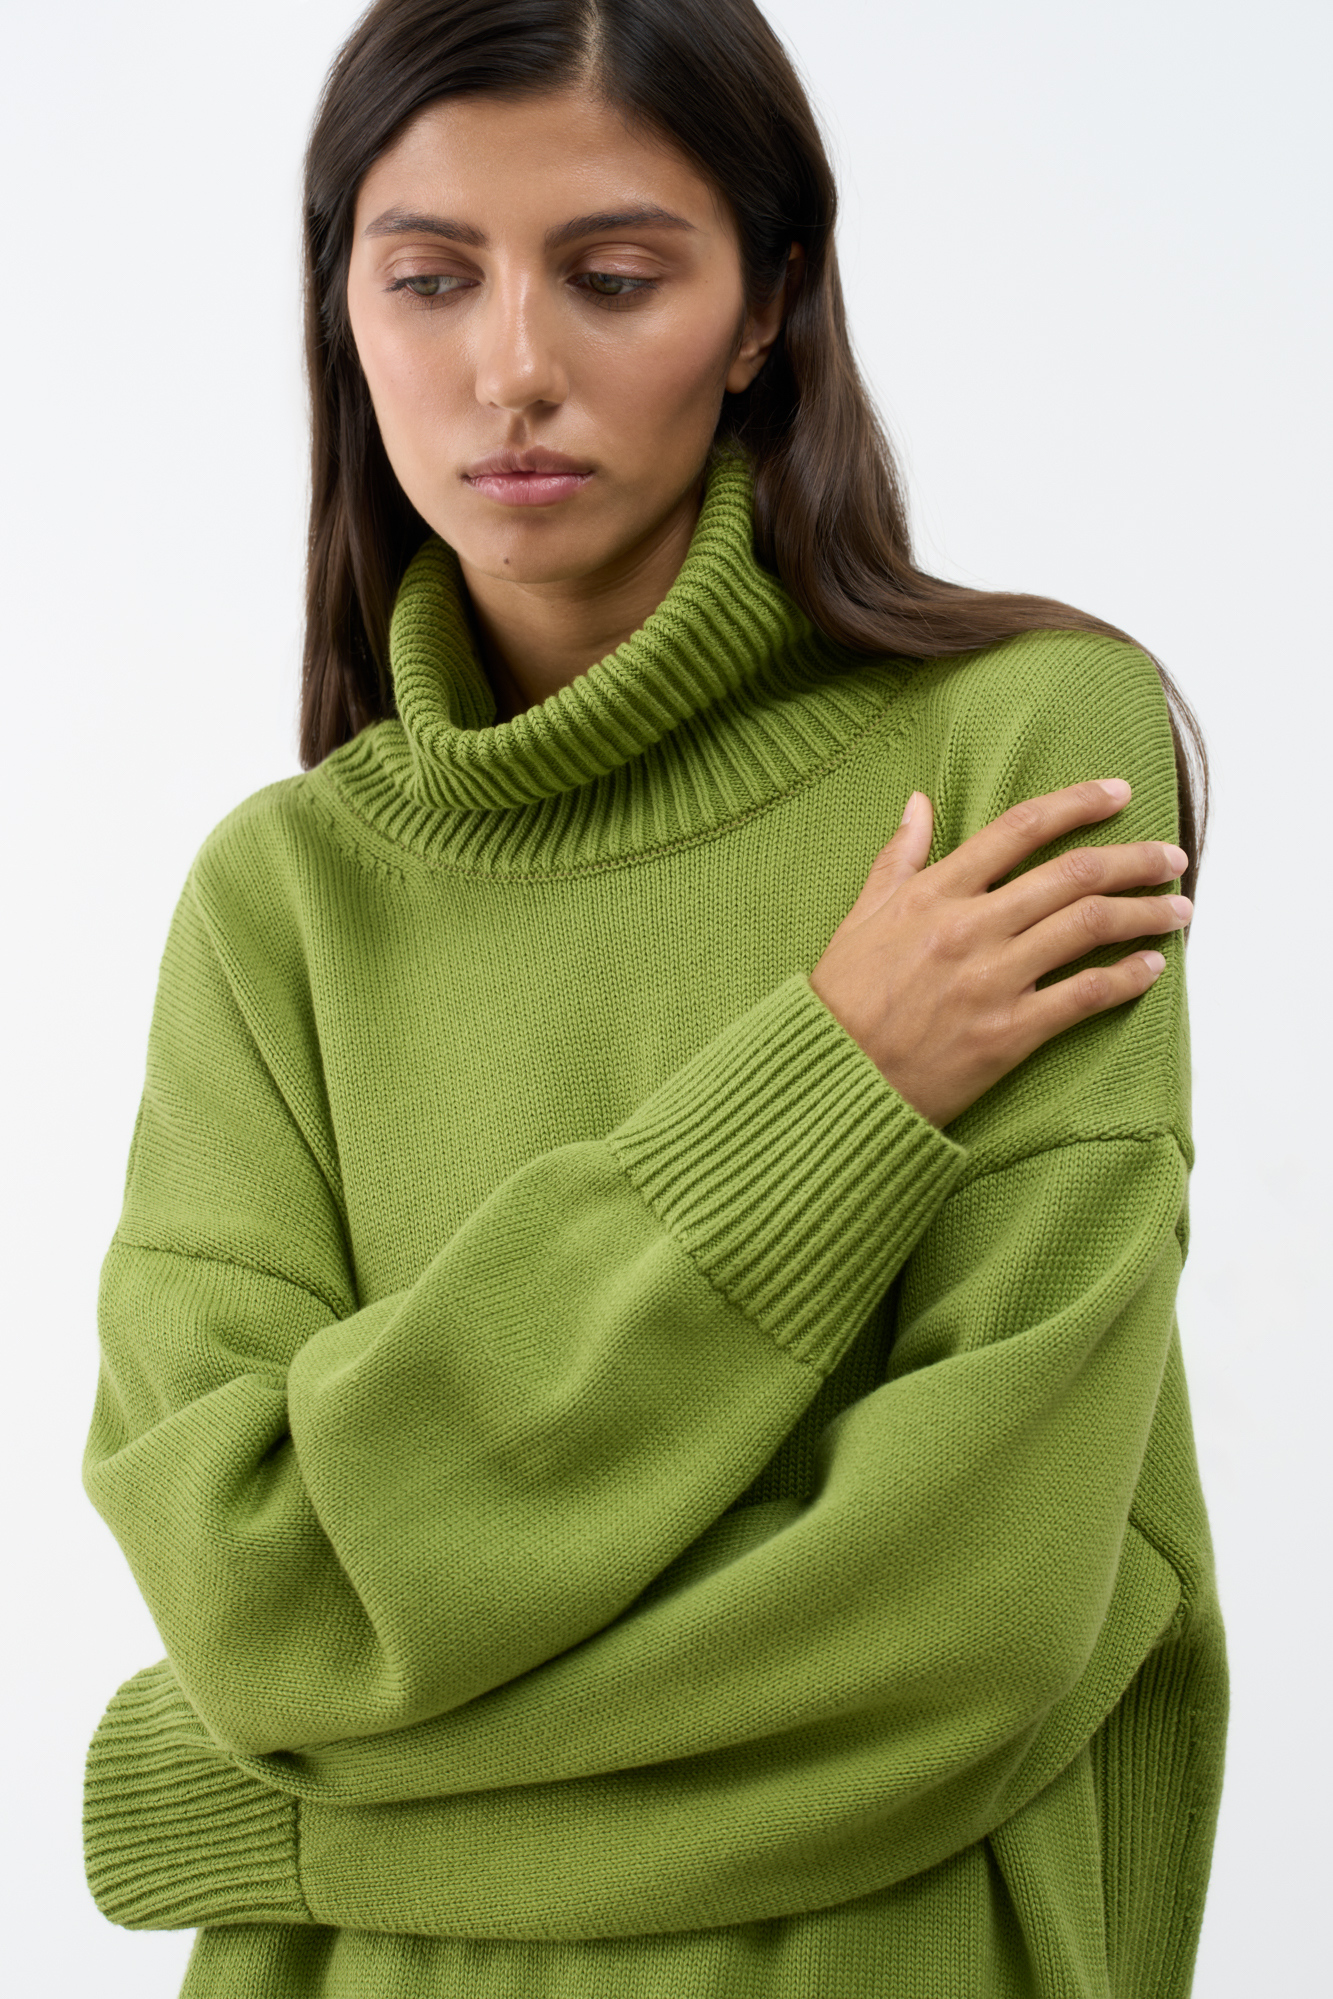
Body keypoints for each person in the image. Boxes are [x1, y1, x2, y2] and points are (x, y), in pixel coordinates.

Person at [80, 2, 1226, 1994]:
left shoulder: (1024, 756)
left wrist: (289, 1811)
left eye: (612, 278)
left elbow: (953, 1638)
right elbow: (264, 1597)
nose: (512, 367)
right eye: (429, 279)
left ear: (767, 304)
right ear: (340, 307)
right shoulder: (283, 903)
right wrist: (829, 1094)